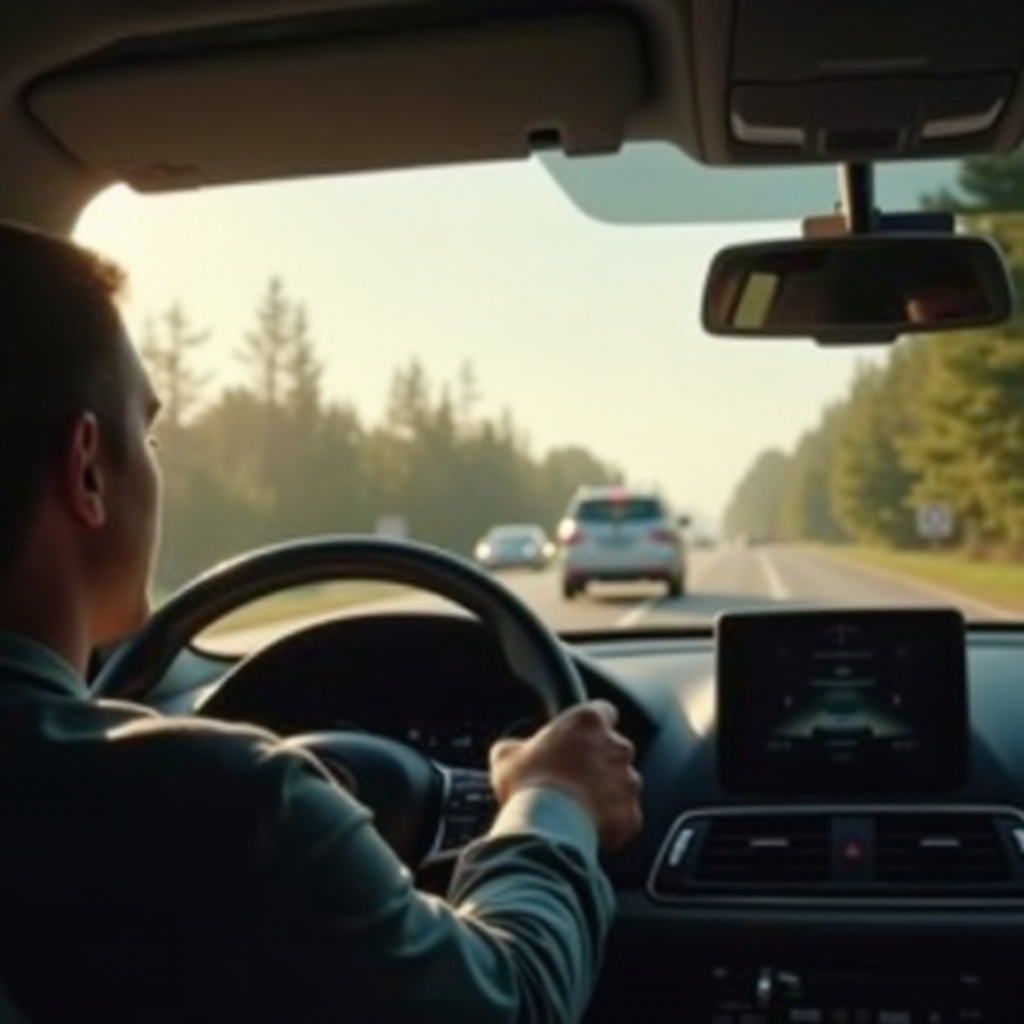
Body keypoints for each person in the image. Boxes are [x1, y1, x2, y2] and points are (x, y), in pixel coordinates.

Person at [0, 221, 643, 1024]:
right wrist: (553, 799)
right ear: (88, 469)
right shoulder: (239, 807)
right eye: (151, 433)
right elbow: (514, 1003)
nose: (158, 462)